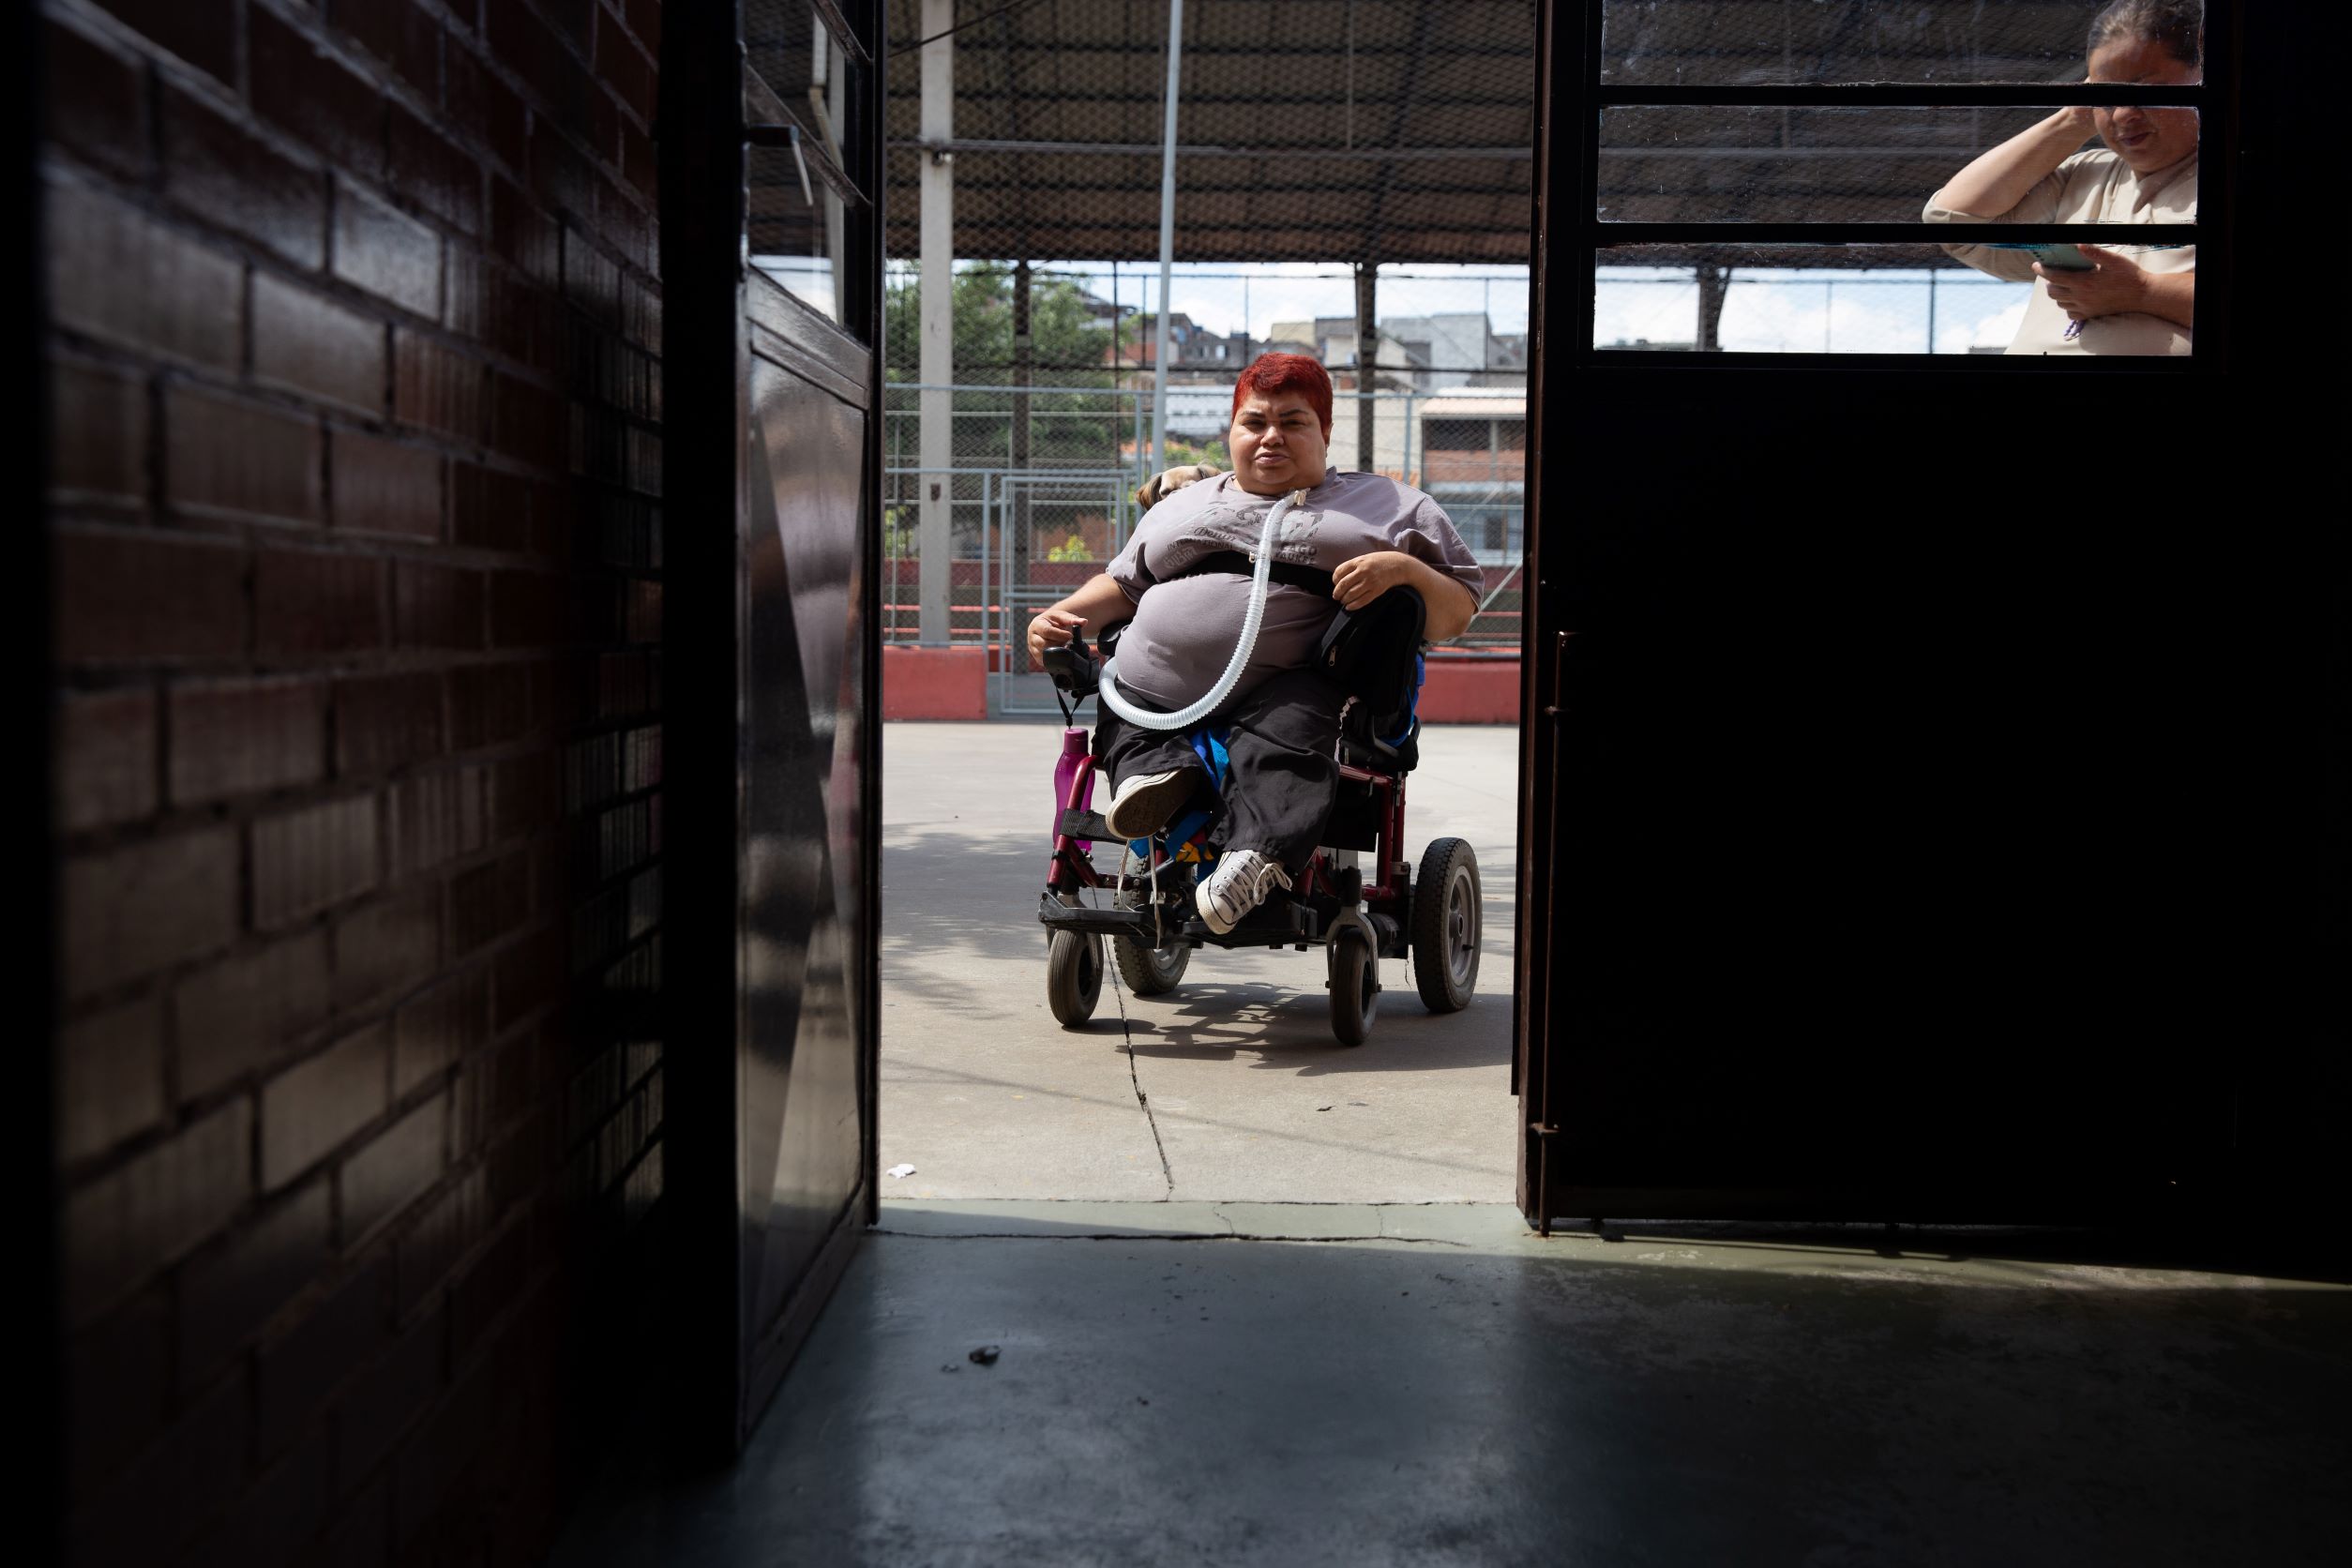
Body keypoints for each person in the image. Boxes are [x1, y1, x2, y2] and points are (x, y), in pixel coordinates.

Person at [1025, 354, 1484, 934]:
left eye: (1293, 423)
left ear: (1325, 431)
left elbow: (1457, 613)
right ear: (1232, 430)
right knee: (1126, 715)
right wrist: (1061, 616)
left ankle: (1254, 858)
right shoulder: (1186, 503)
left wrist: (1404, 570)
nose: (1272, 438)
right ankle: (1160, 781)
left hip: (1292, 685)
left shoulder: (1390, 506)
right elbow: (1123, 585)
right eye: (1254, 422)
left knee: (1291, 726)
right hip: (1154, 687)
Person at [1924, 0, 2200, 355]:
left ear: (2203, 77)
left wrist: (2144, 293)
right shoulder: (2083, 175)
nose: (2124, 114)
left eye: (2146, 90)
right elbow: (1951, 221)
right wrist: (2072, 118)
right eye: (2108, 96)